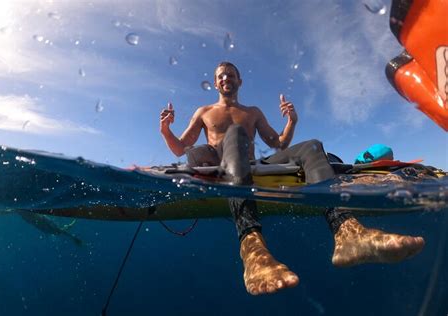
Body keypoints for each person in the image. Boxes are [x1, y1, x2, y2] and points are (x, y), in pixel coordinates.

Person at [159, 61, 425, 295]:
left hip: (255, 165)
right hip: (224, 166)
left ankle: (347, 232)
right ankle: (252, 249)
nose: (225, 78)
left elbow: (278, 143)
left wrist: (292, 121)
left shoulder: (253, 112)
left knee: (311, 146)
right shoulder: (203, 111)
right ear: (215, 82)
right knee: (236, 134)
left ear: (239, 81)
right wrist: (165, 130)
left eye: (230, 74)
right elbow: (181, 147)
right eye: (221, 75)